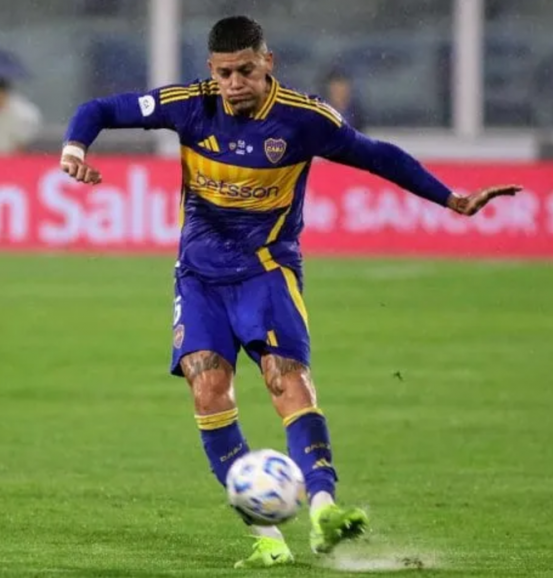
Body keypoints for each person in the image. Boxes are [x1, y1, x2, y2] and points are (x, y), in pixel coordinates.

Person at [60, 15, 519, 569]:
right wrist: (75, 148)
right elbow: (101, 109)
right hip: (199, 278)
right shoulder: (189, 105)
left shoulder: (304, 119)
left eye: (246, 71)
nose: (234, 83)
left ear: (268, 63)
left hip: (266, 271)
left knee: (286, 381)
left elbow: (377, 155)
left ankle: (324, 509)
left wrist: (451, 199)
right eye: (225, 73)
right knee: (208, 391)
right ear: (211, 70)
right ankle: (267, 538)